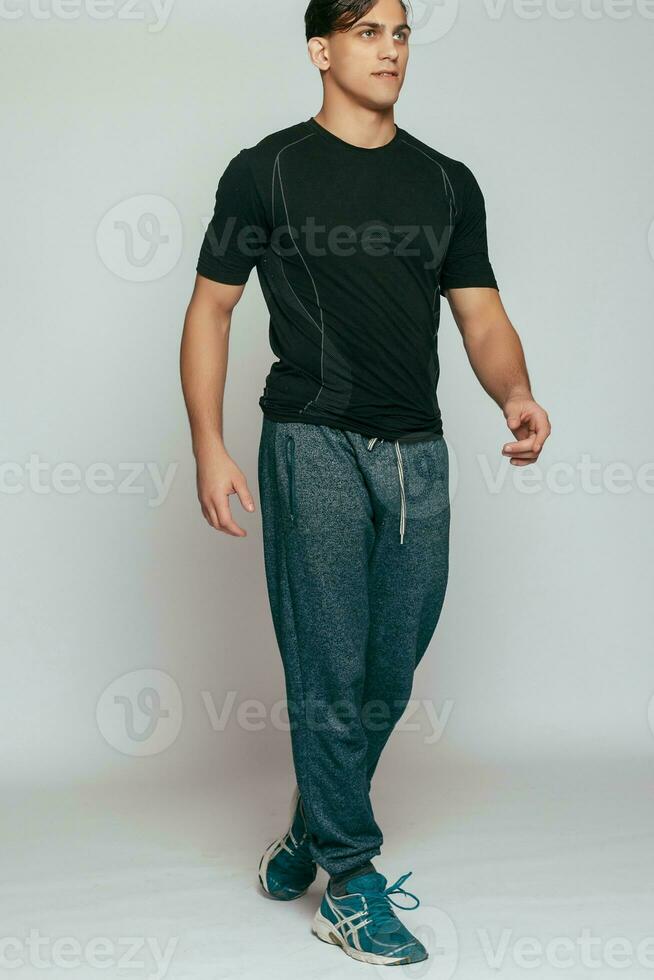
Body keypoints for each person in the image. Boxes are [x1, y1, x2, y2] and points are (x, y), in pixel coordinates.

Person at [180, 0, 551, 966]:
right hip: (310, 440)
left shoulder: (445, 181)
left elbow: (481, 313)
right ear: (321, 49)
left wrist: (515, 391)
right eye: (366, 32)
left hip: (417, 449)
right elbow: (212, 311)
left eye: (400, 33)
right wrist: (208, 447)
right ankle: (349, 877)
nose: (388, 50)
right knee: (330, 664)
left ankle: (309, 827)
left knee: (392, 662)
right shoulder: (265, 169)